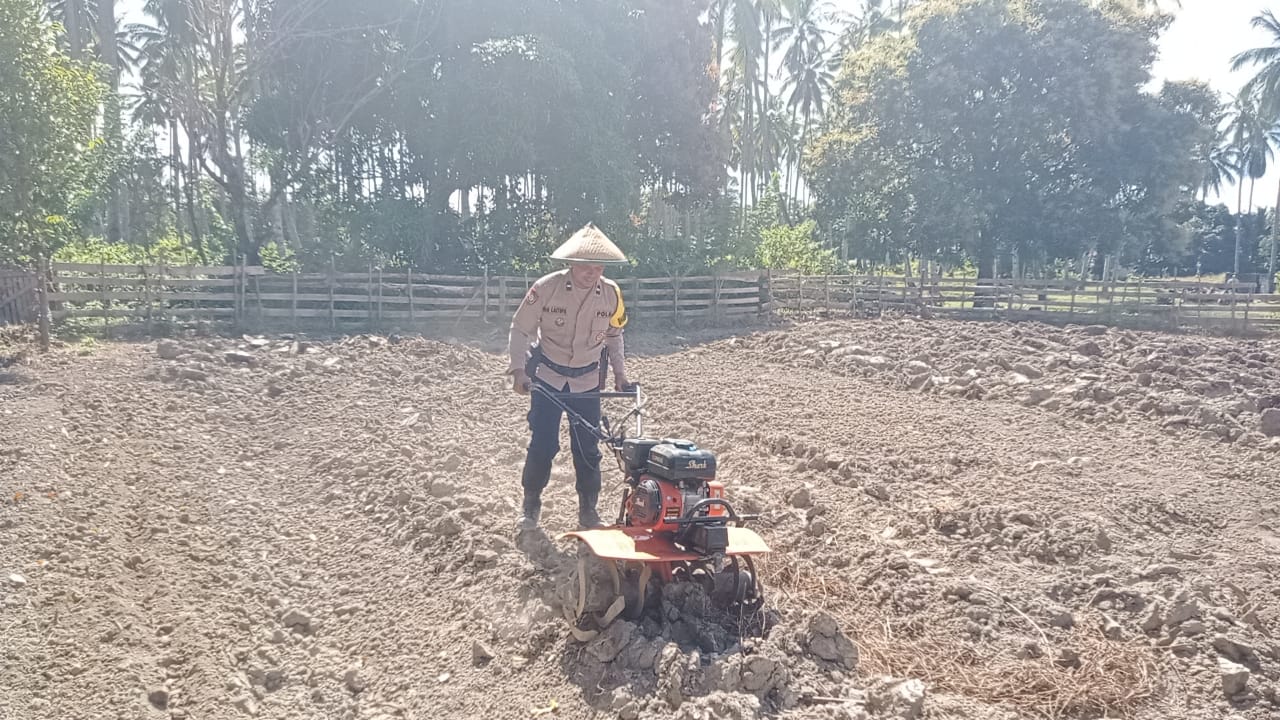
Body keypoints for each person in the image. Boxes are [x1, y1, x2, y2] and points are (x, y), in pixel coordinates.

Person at [507, 223, 633, 531]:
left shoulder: (612, 294)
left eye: (598, 266)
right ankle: (531, 504)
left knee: (588, 447)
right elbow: (520, 328)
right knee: (543, 443)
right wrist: (518, 371)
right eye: (585, 266)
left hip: (587, 382)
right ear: (571, 263)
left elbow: (615, 335)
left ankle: (588, 510)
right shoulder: (545, 288)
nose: (592, 272)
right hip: (548, 379)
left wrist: (620, 374)